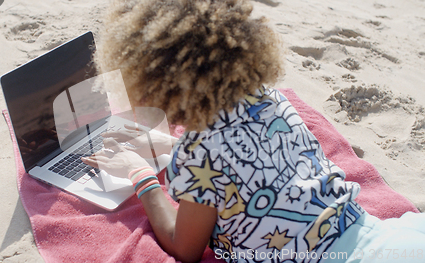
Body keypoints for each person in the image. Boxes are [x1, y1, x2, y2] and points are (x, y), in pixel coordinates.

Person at [82, 0, 425, 262]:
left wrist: (139, 175)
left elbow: (183, 246)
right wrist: (157, 144)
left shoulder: (198, 153)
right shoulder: (268, 98)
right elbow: (235, 155)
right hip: (381, 239)